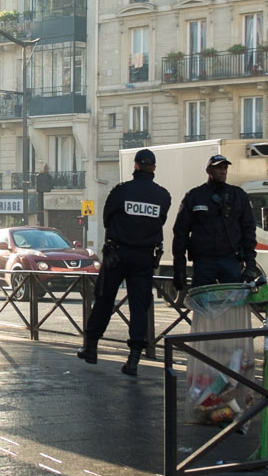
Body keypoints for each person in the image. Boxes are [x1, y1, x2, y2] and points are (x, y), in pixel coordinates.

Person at [78, 149, 173, 376]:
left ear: (136, 166)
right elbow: (161, 219)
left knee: (104, 299)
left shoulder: (121, 191)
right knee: (139, 307)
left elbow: (107, 217)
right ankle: (133, 360)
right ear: (154, 168)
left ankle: (91, 348)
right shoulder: (162, 196)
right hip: (144, 257)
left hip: (117, 255)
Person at [172, 154, 258, 289]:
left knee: (232, 306)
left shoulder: (238, 195)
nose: (223, 171)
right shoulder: (195, 196)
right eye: (219, 168)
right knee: (203, 306)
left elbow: (249, 230)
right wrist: (179, 268)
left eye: (225, 168)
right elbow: (180, 233)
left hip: (230, 259)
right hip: (203, 261)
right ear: (209, 171)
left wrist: (250, 264)